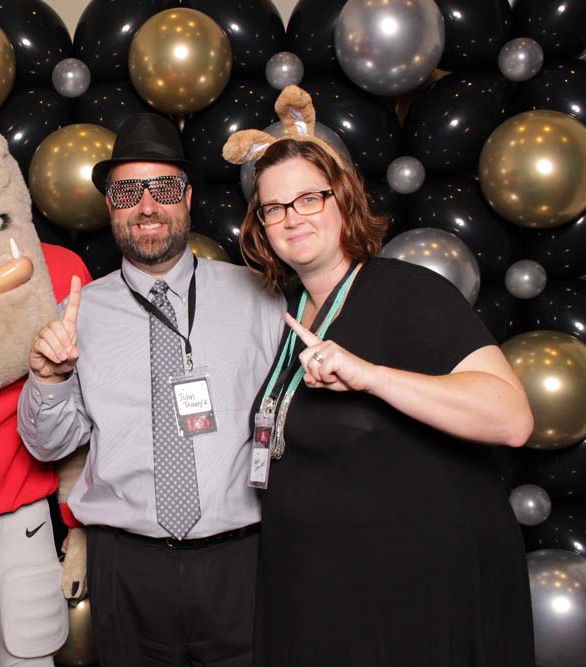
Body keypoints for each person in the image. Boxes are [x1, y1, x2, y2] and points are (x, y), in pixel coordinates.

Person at [227, 90, 535, 666]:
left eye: (309, 198)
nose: (292, 217)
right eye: (273, 207)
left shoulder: (408, 292)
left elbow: (511, 418)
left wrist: (372, 377)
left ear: (343, 199)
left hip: (413, 602)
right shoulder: (290, 317)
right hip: (325, 599)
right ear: (260, 226)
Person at [17, 113, 286, 667]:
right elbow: (47, 447)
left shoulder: (258, 297)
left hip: (243, 561)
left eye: (162, 188)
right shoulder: (79, 313)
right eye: (127, 192)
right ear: (109, 206)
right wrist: (49, 377)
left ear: (186, 197)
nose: (147, 206)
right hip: (127, 566)